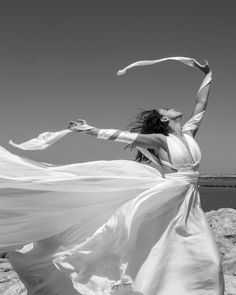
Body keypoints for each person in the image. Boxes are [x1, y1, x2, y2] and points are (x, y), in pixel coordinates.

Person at [0, 57, 224, 295]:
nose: (170, 106)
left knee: (197, 252)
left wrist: (207, 74)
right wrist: (89, 130)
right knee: (155, 245)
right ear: (164, 120)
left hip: (188, 199)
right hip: (169, 197)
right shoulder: (160, 140)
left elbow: (201, 104)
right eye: (166, 109)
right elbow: (122, 136)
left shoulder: (189, 133)